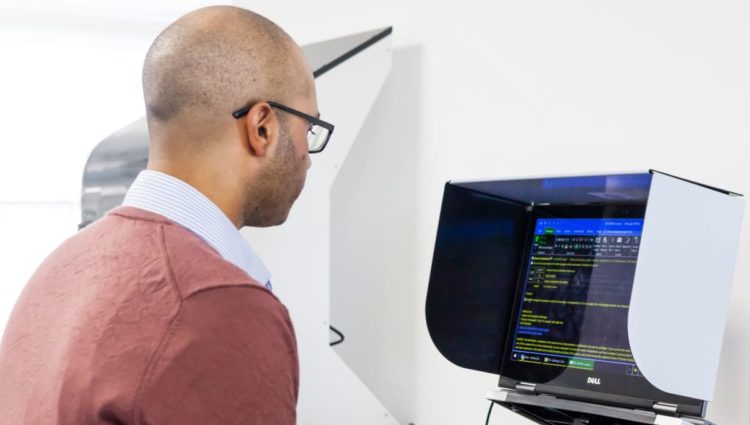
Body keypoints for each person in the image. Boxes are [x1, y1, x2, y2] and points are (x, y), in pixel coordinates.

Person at [0, 5, 333, 424]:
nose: (307, 157)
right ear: (261, 126)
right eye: (309, 129)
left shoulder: (60, 267)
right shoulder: (218, 303)